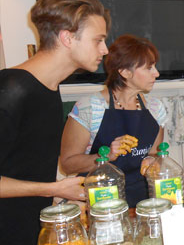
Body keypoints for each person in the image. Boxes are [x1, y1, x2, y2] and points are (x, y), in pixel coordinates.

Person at [0, 0, 110, 245]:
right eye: (98, 39)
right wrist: (53, 189)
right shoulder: (11, 91)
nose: (104, 49)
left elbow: (24, 165)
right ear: (66, 38)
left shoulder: (50, 88)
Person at [59, 34, 167, 208]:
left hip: (143, 199)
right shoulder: (90, 108)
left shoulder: (156, 109)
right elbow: (68, 165)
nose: (157, 73)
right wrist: (105, 156)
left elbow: (155, 153)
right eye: (149, 68)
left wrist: (152, 160)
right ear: (124, 72)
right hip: (101, 199)